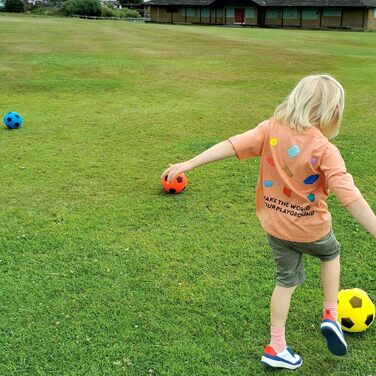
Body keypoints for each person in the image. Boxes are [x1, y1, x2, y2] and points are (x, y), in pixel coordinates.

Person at [160, 74, 376, 369]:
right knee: (330, 253)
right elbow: (349, 196)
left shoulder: (271, 128)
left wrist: (191, 163)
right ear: (332, 112)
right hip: (312, 228)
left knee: (285, 282)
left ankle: (276, 346)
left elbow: (231, 145)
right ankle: (330, 313)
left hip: (275, 226)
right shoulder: (326, 150)